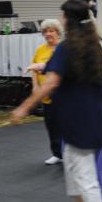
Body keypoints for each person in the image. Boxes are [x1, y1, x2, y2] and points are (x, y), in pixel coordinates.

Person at [12, 0, 102, 202]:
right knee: (73, 167)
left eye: (63, 16)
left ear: (68, 19)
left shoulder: (68, 47)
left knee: (85, 174)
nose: (61, 20)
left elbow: (52, 82)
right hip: (93, 119)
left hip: (80, 122)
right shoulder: (96, 46)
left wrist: (24, 107)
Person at [26, 19, 64, 165]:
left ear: (58, 32)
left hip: (61, 93)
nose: (48, 34)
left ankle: (68, 152)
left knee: (64, 124)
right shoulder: (40, 50)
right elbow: (34, 69)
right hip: (45, 94)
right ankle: (57, 154)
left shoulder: (62, 49)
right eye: (45, 31)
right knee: (51, 124)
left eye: (51, 31)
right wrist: (35, 86)